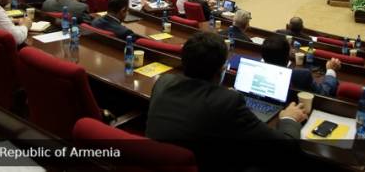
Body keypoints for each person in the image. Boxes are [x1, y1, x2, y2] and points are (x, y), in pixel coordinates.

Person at [145, 31, 305, 171]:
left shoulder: (163, 82)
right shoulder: (228, 101)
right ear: (220, 71)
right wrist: (289, 118)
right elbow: (286, 148)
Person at [261, 36, 341, 97]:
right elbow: (324, 92)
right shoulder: (301, 75)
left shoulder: (255, 69)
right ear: (288, 56)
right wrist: (331, 71)